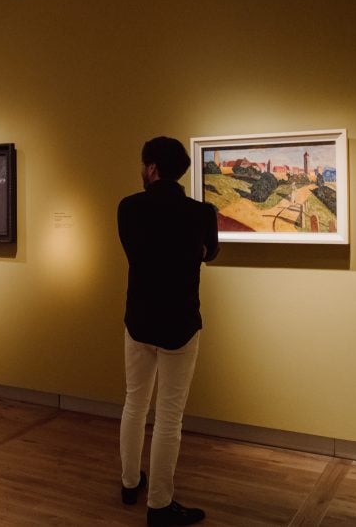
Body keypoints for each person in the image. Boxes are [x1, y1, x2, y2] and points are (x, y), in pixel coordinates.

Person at [117, 136, 219, 526]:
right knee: (169, 417)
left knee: (134, 403)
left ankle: (130, 483)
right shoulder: (202, 212)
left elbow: (132, 250)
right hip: (180, 323)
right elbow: (211, 253)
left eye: (143, 164)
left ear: (153, 168)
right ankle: (158, 504)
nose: (141, 171)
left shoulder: (128, 208)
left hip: (138, 320)